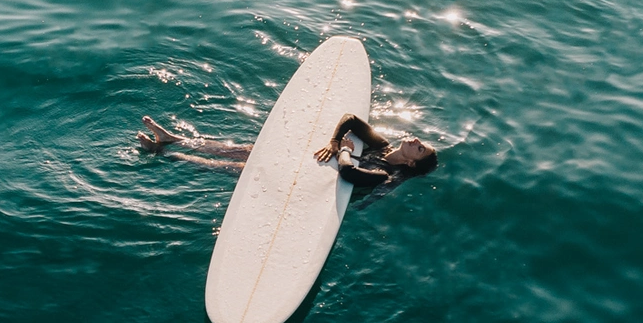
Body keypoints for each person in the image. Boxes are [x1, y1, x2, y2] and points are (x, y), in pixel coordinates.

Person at [136, 113, 437, 190]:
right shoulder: (383, 147)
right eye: (419, 141)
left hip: (317, 186)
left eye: (419, 148)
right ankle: (174, 139)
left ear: (411, 164)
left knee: (240, 169)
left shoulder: (386, 175)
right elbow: (351, 120)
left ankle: (164, 153)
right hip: (318, 165)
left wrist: (345, 152)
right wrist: (334, 143)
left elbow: (347, 174)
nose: (414, 140)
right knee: (249, 150)